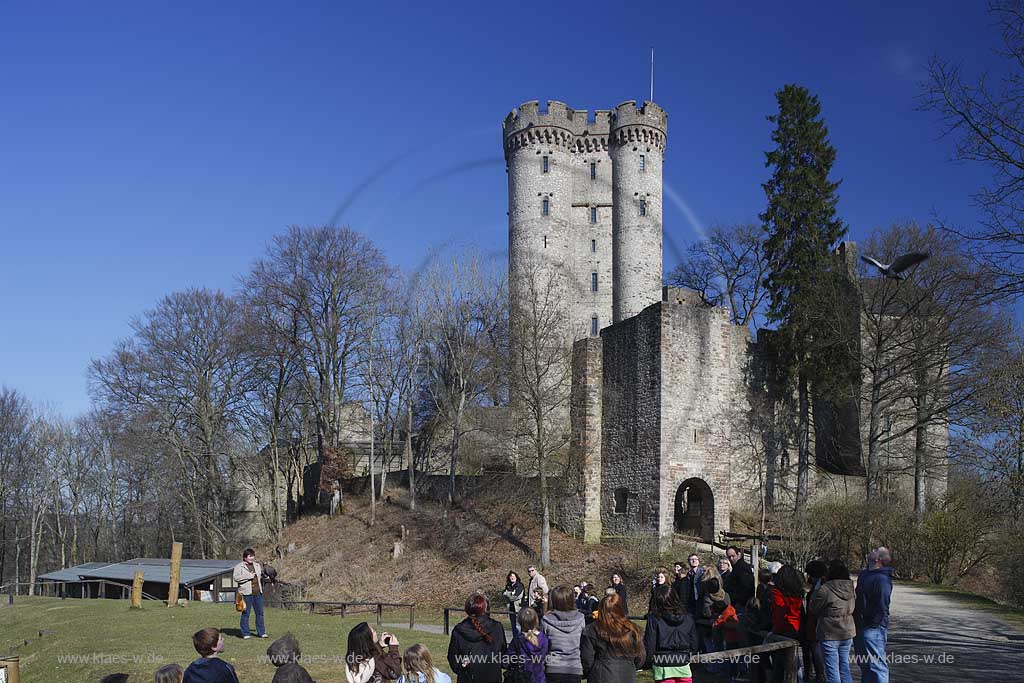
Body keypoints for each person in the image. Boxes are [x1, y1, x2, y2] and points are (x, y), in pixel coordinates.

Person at [580, 592, 645, 683]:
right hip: (626, 674)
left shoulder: (592, 629)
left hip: (602, 675)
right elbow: (640, 657)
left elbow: (586, 659)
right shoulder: (633, 629)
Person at [809, 560, 855, 683]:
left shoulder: (825, 589)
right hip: (847, 631)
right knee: (844, 667)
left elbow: (813, 607)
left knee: (832, 670)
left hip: (830, 632)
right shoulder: (850, 588)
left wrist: (817, 589)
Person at [642, 583, 698, 683]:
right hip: (682, 661)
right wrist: (687, 656)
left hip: (663, 663)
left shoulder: (654, 619)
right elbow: (694, 643)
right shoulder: (688, 617)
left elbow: (650, 644)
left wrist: (648, 661)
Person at [447, 593, 506, 683]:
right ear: (485, 608)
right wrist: (462, 667)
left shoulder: (496, 627)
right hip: (473, 676)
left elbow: (502, 652)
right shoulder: (459, 630)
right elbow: (453, 657)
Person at [854, 548, 893, 683]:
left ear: (878, 559)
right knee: (864, 664)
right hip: (859, 624)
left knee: (877, 665)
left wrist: (873, 624)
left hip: (873, 628)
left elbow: (883, 604)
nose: (872, 550)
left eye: (876, 550)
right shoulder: (864, 574)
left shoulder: (882, 578)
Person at [540, 585, 586, 683]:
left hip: (555, 666)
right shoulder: (581, 619)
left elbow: (542, 646)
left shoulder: (546, 620)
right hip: (573, 667)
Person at [768, 565, 805, 683]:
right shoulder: (798, 592)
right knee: (793, 660)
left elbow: (779, 612)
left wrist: (775, 630)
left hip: (783, 628)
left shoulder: (777, 592)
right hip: (796, 627)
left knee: (780, 662)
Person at [506, 606, 549, 683]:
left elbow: (506, 661)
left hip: (522, 678)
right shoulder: (544, 639)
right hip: (539, 678)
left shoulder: (518, 640)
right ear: (536, 620)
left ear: (519, 622)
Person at [233, 548, 267, 639]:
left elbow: (259, 577)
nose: (252, 558)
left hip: (257, 593)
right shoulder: (239, 567)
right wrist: (249, 576)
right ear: (245, 557)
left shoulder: (257, 565)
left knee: (260, 613)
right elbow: (236, 578)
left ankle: (261, 632)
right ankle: (245, 633)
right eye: (250, 556)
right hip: (246, 593)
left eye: (253, 556)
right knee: (246, 613)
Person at [803, 560, 828, 683]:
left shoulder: (820, 587)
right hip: (815, 622)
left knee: (816, 650)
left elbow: (814, 606)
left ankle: (820, 675)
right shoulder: (821, 584)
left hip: (815, 622)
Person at [724, 546, 755, 611]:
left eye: (733, 556)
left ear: (738, 555)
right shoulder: (736, 567)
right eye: (729, 557)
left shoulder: (742, 568)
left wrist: (739, 601)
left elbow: (747, 587)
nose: (731, 559)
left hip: (741, 603)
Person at [503, 571, 527, 637]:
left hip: (519, 609)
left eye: (513, 576)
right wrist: (508, 595)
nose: (512, 578)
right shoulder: (508, 586)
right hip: (511, 610)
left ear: (516, 577)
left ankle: (520, 642)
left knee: (518, 627)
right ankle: (515, 642)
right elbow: (503, 595)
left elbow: (516, 596)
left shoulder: (520, 585)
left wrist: (508, 595)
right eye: (511, 576)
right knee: (513, 627)